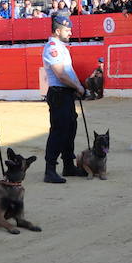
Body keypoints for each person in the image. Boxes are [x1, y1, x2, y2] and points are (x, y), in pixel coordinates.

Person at [41, 12, 87, 183]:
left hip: (66, 93)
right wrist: (78, 87)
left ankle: (68, 165)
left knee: (70, 130)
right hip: (59, 93)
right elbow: (60, 75)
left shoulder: (61, 47)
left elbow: (69, 72)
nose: (70, 33)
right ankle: (50, 169)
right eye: (68, 30)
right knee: (58, 132)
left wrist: (77, 87)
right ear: (58, 31)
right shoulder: (52, 47)